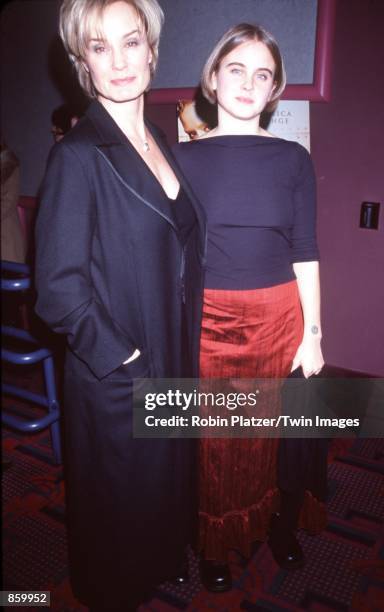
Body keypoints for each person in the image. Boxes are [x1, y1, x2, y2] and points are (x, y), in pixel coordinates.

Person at [34, 1, 205, 609]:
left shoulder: (157, 136)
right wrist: (130, 359)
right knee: (121, 492)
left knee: (162, 478)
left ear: (152, 50)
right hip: (120, 364)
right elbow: (57, 291)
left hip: (170, 343)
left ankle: (161, 558)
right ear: (83, 63)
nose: (119, 61)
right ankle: (109, 590)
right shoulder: (78, 155)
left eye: (130, 42)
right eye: (99, 48)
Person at [173, 23, 325, 592]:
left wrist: (313, 333)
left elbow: (306, 249)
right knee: (217, 440)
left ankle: (276, 527)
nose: (248, 83)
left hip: (281, 316)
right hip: (208, 321)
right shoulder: (180, 161)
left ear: (273, 90)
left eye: (262, 75)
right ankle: (215, 541)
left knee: (276, 437)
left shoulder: (293, 159)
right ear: (213, 80)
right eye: (235, 70)